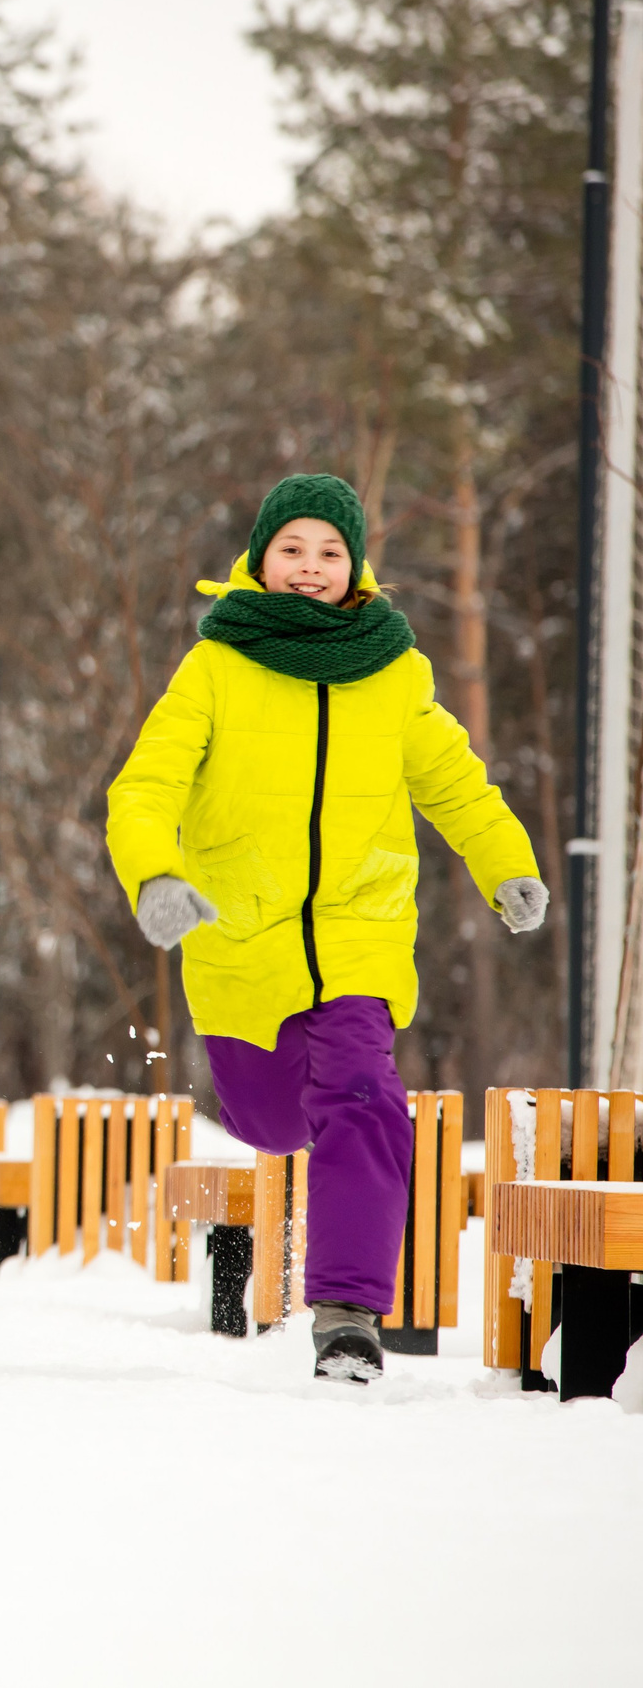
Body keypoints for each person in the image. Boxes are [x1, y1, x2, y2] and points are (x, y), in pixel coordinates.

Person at [106, 473, 543, 1384]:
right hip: (242, 942)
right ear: (262, 560)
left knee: (362, 1093)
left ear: (355, 565)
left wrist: (508, 864)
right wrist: (156, 874)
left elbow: (455, 782)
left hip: (360, 932)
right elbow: (146, 785)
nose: (310, 567)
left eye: (329, 552)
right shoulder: (218, 664)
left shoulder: (395, 670)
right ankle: (308, 1182)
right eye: (293, 550)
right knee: (269, 1119)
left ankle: (347, 1313)